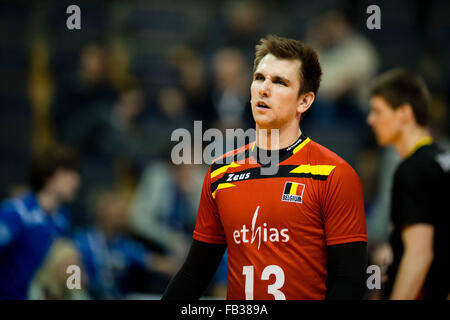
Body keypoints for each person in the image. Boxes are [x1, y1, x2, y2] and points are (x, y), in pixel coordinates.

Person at [162, 35, 368, 300]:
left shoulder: (334, 173)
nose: (264, 89)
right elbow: (195, 273)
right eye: (260, 78)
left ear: (304, 101)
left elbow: (350, 281)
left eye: (280, 82)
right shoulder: (221, 172)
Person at [366, 69, 450, 300]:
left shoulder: (412, 170)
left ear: (403, 114)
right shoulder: (441, 161)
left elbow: (419, 256)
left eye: (377, 111)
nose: (370, 120)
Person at [0, 145, 81, 299]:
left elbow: (71, 264)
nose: (76, 180)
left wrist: (74, 290)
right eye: (68, 172)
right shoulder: (17, 213)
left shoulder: (63, 219)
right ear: (48, 176)